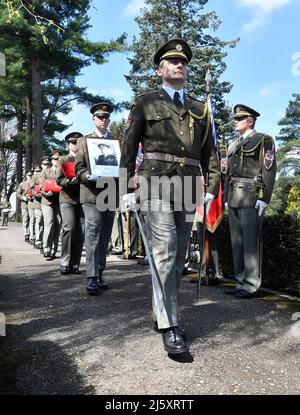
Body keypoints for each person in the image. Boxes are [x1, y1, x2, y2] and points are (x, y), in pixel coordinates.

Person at [120, 38, 220, 355]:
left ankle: (161, 311)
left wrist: (212, 189)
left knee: (178, 260)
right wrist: (124, 189)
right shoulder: (145, 103)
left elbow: (211, 155)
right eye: (173, 61)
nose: (179, 65)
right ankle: (170, 324)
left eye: (183, 62)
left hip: (188, 185)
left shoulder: (199, 109)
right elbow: (128, 147)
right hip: (154, 184)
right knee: (163, 251)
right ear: (160, 69)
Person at [223, 104, 277, 299]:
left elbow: (269, 170)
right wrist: (226, 199)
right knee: (237, 243)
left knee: (251, 243)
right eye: (235, 118)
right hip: (234, 197)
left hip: (251, 196)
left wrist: (264, 198)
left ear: (250, 121)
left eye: (239, 119)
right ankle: (240, 281)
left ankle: (252, 284)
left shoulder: (263, 140)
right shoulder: (233, 144)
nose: (235, 122)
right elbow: (228, 173)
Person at [75, 102, 117, 295]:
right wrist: (87, 176)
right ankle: (91, 277)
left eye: (107, 117)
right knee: (93, 234)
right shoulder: (84, 141)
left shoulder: (117, 142)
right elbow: (79, 168)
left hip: (109, 192)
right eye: (100, 117)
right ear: (93, 119)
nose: (104, 120)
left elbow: (123, 166)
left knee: (105, 237)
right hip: (91, 193)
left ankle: (99, 273)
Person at [56, 132, 85, 276]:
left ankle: (75, 263)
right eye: (73, 143)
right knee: (68, 228)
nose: (75, 145)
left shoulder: (84, 159)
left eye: (77, 142)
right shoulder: (63, 159)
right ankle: (65, 262)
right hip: (67, 198)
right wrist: (68, 182)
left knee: (81, 231)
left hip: (83, 198)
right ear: (68, 144)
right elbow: (58, 180)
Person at [40, 150, 62, 259]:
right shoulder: (45, 172)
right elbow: (40, 186)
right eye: (54, 158)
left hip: (59, 202)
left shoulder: (62, 171)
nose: (56, 160)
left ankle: (54, 249)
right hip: (47, 201)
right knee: (49, 223)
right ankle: (46, 248)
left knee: (58, 226)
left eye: (58, 158)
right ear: (51, 160)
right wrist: (45, 192)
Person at [30, 164, 44, 250]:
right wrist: (35, 193)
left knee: (45, 222)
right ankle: (38, 240)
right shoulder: (34, 177)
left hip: (47, 201)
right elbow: (32, 188)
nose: (37, 172)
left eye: (39, 171)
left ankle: (42, 240)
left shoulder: (45, 175)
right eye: (36, 171)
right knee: (38, 221)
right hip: (37, 202)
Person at [17, 169, 32, 242]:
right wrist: (23, 197)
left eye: (31, 175)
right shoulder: (22, 184)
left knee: (32, 220)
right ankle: (26, 234)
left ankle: (32, 235)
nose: (30, 176)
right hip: (24, 204)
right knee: (26, 219)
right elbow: (18, 194)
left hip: (32, 204)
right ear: (26, 176)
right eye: (29, 175)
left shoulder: (35, 183)